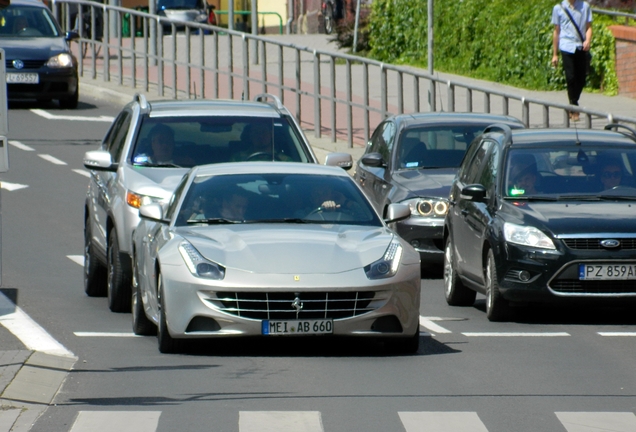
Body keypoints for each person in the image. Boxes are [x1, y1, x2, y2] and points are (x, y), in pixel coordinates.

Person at [551, 0, 593, 122]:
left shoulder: (584, 7)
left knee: (581, 78)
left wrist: (588, 40)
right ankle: (573, 106)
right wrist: (555, 54)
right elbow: (556, 31)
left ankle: (573, 103)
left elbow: (589, 27)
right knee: (570, 77)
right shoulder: (558, 8)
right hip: (566, 46)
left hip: (580, 46)